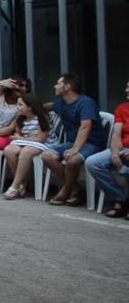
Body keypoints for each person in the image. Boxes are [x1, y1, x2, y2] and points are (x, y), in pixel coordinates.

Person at [42, 74, 108, 206]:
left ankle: (66, 190)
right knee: (47, 155)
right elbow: (47, 106)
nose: (55, 86)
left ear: (67, 87)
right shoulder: (61, 103)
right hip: (71, 142)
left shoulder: (85, 103)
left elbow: (86, 126)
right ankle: (76, 189)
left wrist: (75, 149)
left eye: (58, 83)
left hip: (92, 143)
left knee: (72, 160)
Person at [86, 80, 129, 217]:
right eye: (127, 87)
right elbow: (116, 133)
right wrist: (115, 153)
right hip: (122, 148)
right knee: (93, 163)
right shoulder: (122, 108)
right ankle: (121, 199)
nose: (126, 90)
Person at [3, 93, 51, 200]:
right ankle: (22, 184)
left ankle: (15, 186)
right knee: (9, 150)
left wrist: (22, 139)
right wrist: (22, 138)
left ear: (30, 107)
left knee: (26, 151)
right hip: (27, 142)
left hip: (43, 144)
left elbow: (41, 139)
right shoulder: (20, 119)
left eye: (20, 105)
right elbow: (19, 135)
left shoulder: (41, 118)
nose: (17, 107)